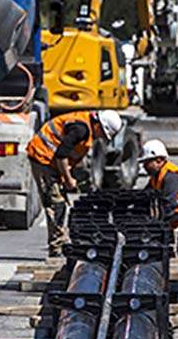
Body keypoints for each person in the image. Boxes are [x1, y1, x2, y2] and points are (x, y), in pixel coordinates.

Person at [27, 109, 123, 255]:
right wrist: (67, 179)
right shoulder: (81, 129)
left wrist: (68, 173)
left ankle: (61, 240)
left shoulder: (86, 127)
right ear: (98, 125)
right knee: (55, 202)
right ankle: (57, 247)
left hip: (51, 160)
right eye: (102, 134)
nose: (101, 137)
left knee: (61, 202)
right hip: (43, 157)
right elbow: (61, 154)